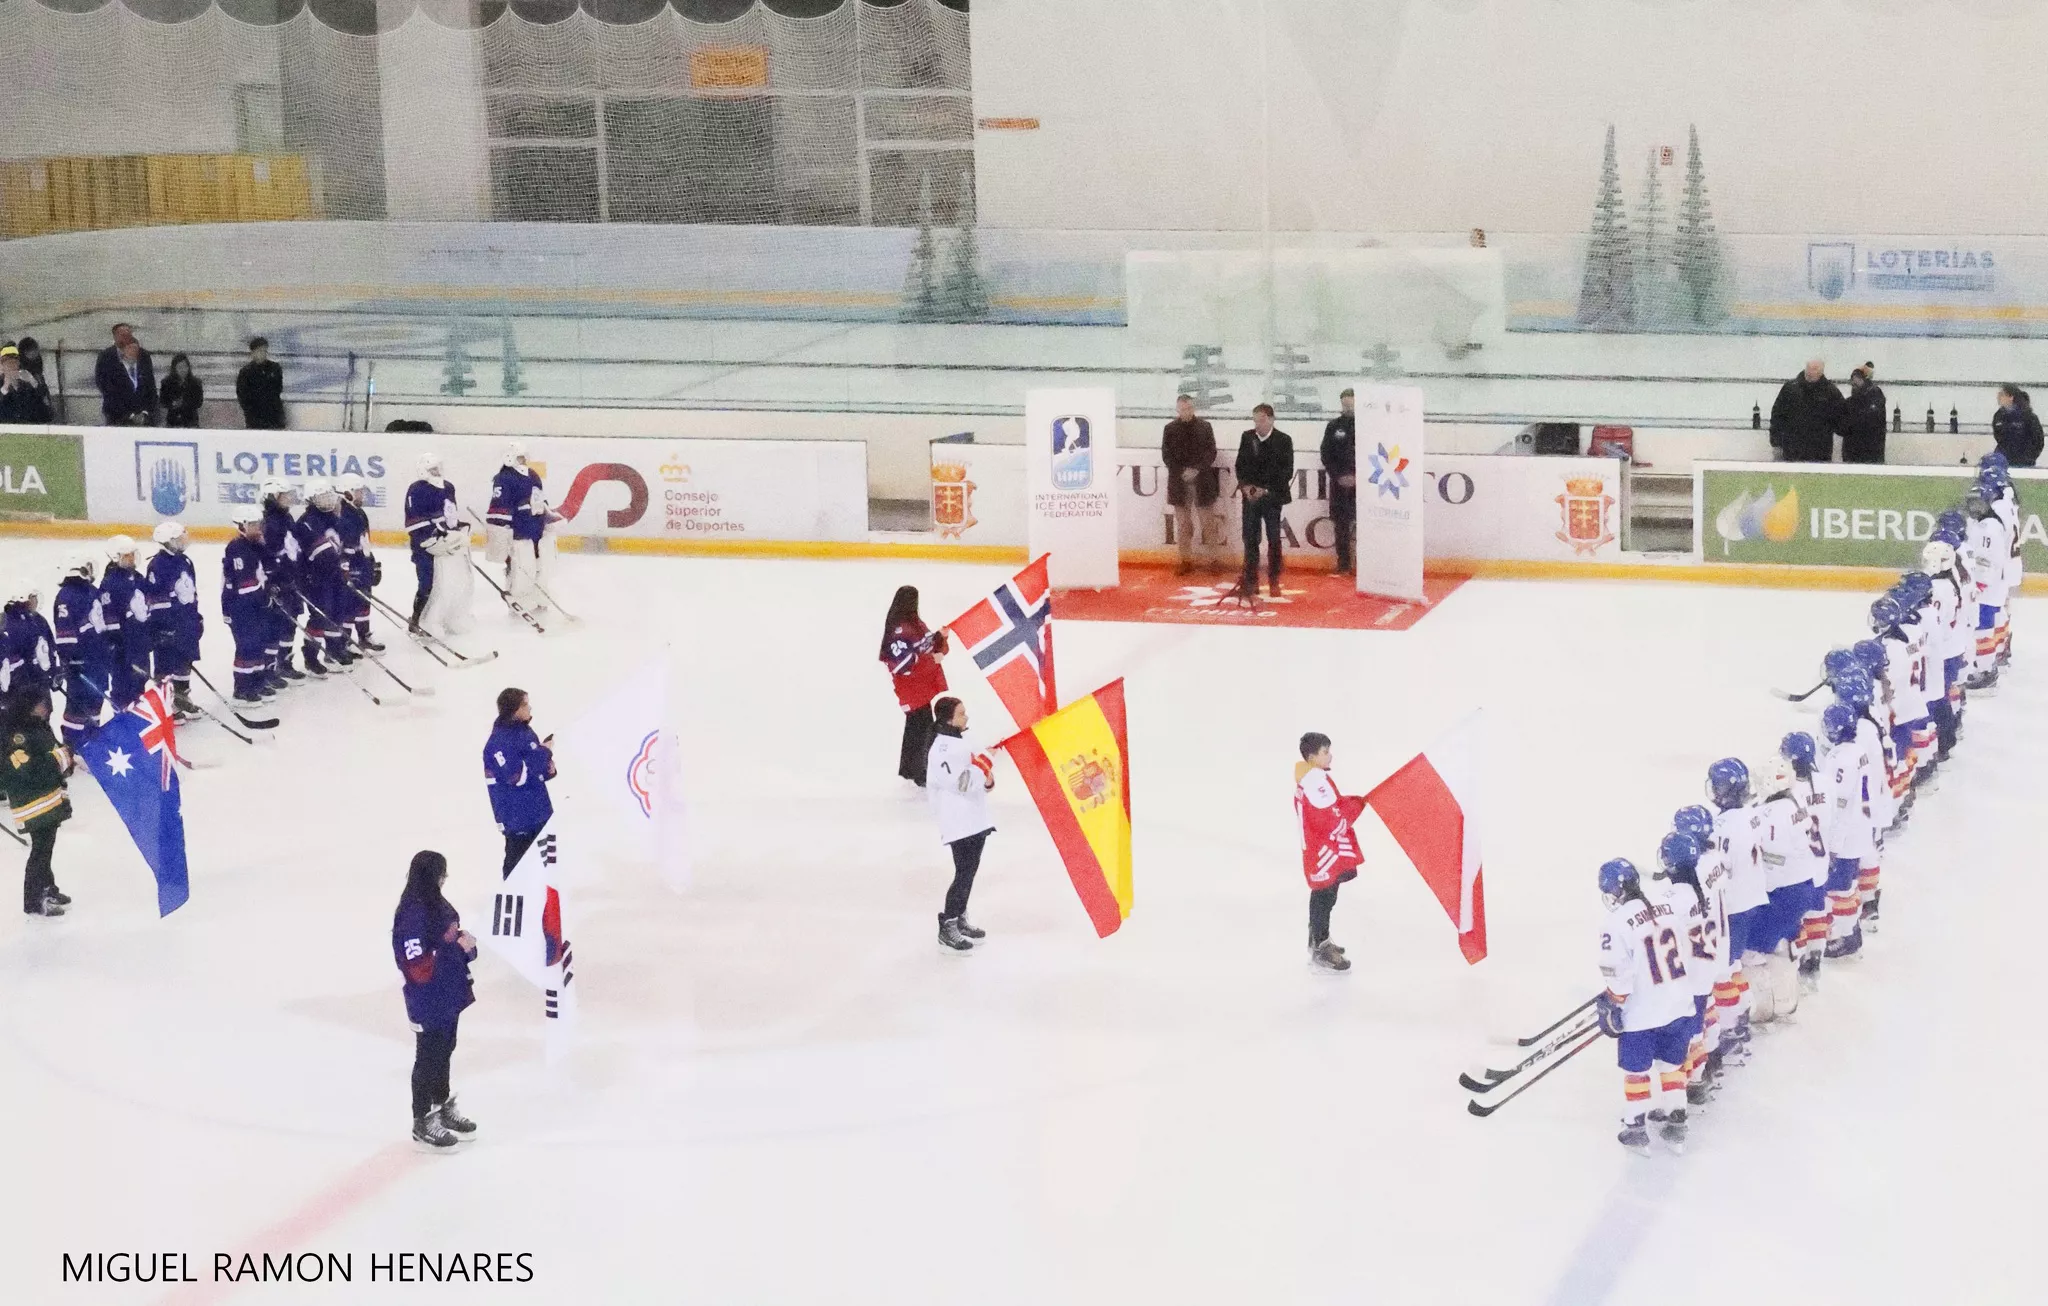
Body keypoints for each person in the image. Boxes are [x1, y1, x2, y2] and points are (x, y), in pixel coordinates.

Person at [1595, 856, 1698, 1155]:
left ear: (1614, 891)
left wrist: (1612, 1002)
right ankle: (1677, 1122)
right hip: (1679, 1004)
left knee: (1637, 1071)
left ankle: (1636, 1126)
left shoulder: (1614, 924)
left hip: (1643, 1013)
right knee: (1671, 1066)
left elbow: (1619, 976)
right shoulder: (1666, 910)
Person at [391, 849, 478, 1150]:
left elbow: (447, 937)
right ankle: (421, 1120)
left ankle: (441, 1106)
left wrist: (465, 945)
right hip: (427, 998)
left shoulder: (435, 902)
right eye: (442, 873)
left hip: (449, 993)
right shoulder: (412, 915)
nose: (445, 879)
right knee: (427, 1056)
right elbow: (417, 965)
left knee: (445, 1049)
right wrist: (454, 946)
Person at [1704, 758, 1763, 1067]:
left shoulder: (1723, 826)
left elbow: (1719, 868)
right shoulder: (1753, 815)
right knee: (1734, 964)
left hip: (1733, 907)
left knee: (1722, 971)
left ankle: (1730, 1029)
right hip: (1752, 898)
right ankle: (1740, 1020)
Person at [925, 695, 994, 951]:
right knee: (963, 872)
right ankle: (948, 923)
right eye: (962, 713)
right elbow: (962, 783)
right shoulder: (941, 749)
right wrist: (986, 762)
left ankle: (960, 915)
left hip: (974, 819)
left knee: (969, 871)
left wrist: (986, 775)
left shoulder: (960, 741)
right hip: (959, 822)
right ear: (948, 718)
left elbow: (980, 780)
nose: (966, 717)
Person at [1295, 731, 1364, 972]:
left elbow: (1332, 805)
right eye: (1325, 752)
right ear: (1312, 757)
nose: (1330, 756)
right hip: (1322, 852)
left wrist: (1355, 802)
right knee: (1324, 896)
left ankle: (1317, 939)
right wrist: (1354, 810)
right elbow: (1328, 817)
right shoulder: (1314, 781)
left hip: (1321, 849)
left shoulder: (1314, 777)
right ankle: (1320, 946)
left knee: (1326, 895)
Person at [0, 693, 73, 917]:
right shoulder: (18, 737)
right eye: (42, 704)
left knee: (45, 849)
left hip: (48, 800)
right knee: (40, 852)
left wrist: (66, 759)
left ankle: (47, 888)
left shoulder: (40, 727)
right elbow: (27, 770)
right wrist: (60, 758)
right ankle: (32, 900)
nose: (46, 708)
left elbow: (55, 752)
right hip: (34, 804)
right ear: (30, 707)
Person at [880, 586, 948, 785]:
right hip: (911, 687)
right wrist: (931, 660)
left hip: (920, 686)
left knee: (915, 727)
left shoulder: (914, 624)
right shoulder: (900, 629)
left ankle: (909, 769)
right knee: (922, 727)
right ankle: (920, 772)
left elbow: (924, 645)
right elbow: (902, 664)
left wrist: (940, 638)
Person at [484, 687, 554, 876]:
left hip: (541, 812)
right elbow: (517, 776)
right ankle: (511, 904)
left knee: (547, 869)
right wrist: (545, 753)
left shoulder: (526, 731)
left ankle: (546, 905)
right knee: (517, 871)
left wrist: (548, 769)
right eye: (525, 704)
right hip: (518, 819)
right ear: (514, 710)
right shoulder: (497, 743)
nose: (530, 708)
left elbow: (534, 768)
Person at [405, 453, 471, 636]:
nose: (437, 472)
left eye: (438, 468)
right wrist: (432, 536)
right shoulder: (416, 490)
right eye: (432, 469)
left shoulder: (448, 487)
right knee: (428, 583)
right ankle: (417, 620)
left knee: (450, 584)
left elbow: (450, 514)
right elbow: (415, 522)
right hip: (425, 546)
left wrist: (456, 530)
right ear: (423, 471)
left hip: (447, 543)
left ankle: (445, 619)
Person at [1234, 403, 1294, 597]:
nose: (1257, 425)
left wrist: (1265, 490)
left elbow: (1286, 471)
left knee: (1274, 539)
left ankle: (1274, 580)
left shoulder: (1284, 440)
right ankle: (1251, 580)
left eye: (1261, 420)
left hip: (1272, 497)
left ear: (1271, 419)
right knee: (1250, 539)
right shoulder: (1247, 437)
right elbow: (1240, 465)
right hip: (1250, 497)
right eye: (1255, 420)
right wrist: (1246, 487)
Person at [143, 521, 202, 719]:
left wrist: (196, 617)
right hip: (167, 627)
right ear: (166, 542)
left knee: (185, 660)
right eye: (177, 539)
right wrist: (163, 628)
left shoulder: (185, 561)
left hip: (186, 622)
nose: (182, 542)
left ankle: (182, 698)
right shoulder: (157, 565)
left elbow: (190, 592)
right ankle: (167, 706)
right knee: (166, 666)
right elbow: (156, 600)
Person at [487, 444, 555, 612]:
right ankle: (519, 601)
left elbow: (540, 499)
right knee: (522, 567)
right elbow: (499, 506)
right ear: (509, 457)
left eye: (525, 457)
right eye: (520, 457)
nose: (524, 461)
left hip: (536, 528)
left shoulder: (533, 475)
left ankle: (539, 596)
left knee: (540, 565)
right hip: (519, 531)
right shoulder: (504, 478)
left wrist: (548, 517)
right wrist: (502, 530)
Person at [295, 479, 353, 674]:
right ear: (311, 500)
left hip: (334, 576)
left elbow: (341, 545)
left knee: (338, 610)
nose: (328, 500)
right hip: (314, 578)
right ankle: (310, 656)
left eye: (329, 495)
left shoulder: (333, 519)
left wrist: (344, 565)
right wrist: (338, 566)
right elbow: (322, 555)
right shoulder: (306, 523)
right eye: (322, 497)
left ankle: (334, 650)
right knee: (320, 615)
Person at [50, 553, 108, 746]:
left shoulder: (92, 591)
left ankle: (92, 741)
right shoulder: (66, 596)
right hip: (81, 661)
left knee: (95, 699)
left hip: (97, 658)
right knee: (77, 704)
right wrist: (71, 659)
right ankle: (72, 745)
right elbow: (65, 632)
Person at [1161, 394, 1221, 573]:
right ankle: (1185, 560)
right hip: (1179, 483)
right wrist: (1182, 472)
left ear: (1193, 408)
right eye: (1183, 409)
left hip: (1202, 481)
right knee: (1184, 525)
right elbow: (1166, 455)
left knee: (1208, 523)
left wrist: (1196, 469)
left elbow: (1211, 452)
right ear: (1177, 410)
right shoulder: (1169, 429)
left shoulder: (1205, 427)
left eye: (1189, 408)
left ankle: (1213, 560)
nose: (1186, 412)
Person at [221, 507, 274, 704]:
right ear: (242, 526)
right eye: (252, 525)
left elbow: (268, 567)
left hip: (254, 604)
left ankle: (257, 683)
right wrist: (263, 597)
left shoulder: (255, 545)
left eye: (258, 524)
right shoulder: (236, 548)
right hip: (239, 606)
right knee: (247, 645)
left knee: (258, 642)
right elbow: (243, 583)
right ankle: (242, 689)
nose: (257, 529)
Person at [260, 479, 306, 686]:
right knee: (275, 626)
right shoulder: (268, 523)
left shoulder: (286, 518)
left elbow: (293, 549)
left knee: (290, 623)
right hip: (279, 584)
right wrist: (276, 581)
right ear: (272, 498)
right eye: (284, 495)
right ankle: (270, 667)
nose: (288, 499)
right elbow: (268, 558)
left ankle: (285, 662)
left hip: (291, 580)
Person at [97, 535, 151, 710]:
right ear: (116, 557)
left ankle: (137, 719)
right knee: (122, 685)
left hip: (139, 642)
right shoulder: (109, 583)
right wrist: (115, 642)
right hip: (123, 646)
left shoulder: (138, 578)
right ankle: (122, 721)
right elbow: (108, 614)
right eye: (126, 556)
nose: (131, 559)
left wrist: (151, 632)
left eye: (132, 554)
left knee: (140, 682)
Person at [337, 474, 382, 652]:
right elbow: (343, 544)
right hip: (351, 566)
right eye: (358, 491)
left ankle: (364, 636)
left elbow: (364, 540)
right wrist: (345, 566)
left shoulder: (359, 512)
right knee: (349, 604)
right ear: (347, 493)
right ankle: (345, 642)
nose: (362, 495)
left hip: (362, 564)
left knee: (363, 601)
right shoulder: (341, 514)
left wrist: (372, 562)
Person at [1768, 359, 1842, 463]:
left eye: (1814, 369)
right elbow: (1777, 416)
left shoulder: (1831, 392)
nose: (1810, 372)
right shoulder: (1789, 389)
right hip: (1791, 451)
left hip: (1820, 453)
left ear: (1821, 372)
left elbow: (1841, 419)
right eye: (1809, 368)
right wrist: (1776, 443)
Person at [0, 580, 56, 717]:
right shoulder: (10, 622)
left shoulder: (38, 620)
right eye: (32, 598)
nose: (35, 602)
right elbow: (13, 658)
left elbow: (49, 647)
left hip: (39, 682)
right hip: (25, 687)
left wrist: (53, 671)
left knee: (42, 718)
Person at [1321, 388, 1358, 574]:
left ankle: (1367, 565)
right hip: (1339, 484)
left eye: (1351, 405)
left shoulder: (1370, 426)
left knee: (1366, 526)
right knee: (1341, 525)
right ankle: (1343, 564)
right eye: (1345, 405)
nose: (1348, 408)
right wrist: (1338, 476)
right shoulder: (1333, 426)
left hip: (1363, 485)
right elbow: (1326, 454)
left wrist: (1358, 477)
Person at [94, 324, 157, 426]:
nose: (127, 337)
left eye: (129, 334)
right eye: (123, 335)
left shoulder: (144, 356)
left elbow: (150, 387)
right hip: (118, 416)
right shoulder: (105, 357)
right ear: (115, 336)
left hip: (143, 417)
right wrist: (130, 415)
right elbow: (105, 387)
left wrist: (145, 412)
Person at [1838, 362, 1886, 464]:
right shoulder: (1851, 402)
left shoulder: (1874, 396)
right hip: (1859, 452)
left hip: (1867, 451)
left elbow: (1869, 421)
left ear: (1863, 379)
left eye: (1856, 381)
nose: (1853, 384)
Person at [237, 337, 287, 430]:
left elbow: (277, 389)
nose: (262, 354)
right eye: (259, 351)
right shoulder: (246, 372)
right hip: (255, 417)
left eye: (264, 351)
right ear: (253, 353)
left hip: (274, 415)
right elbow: (242, 395)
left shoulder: (275, 368)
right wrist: (250, 411)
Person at [1991, 386, 2043, 468]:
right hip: (2004, 460)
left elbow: (2038, 440)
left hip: (2024, 461)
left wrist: (2029, 457)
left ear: (2010, 397)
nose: (1998, 397)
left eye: (2001, 395)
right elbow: (1998, 436)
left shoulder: (2028, 416)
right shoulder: (1999, 416)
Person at [0, 344, 51, 424]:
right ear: (2, 366)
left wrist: (34, 383)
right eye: (7, 363)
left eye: (15, 362)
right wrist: (5, 387)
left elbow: (47, 414)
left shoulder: (27, 386)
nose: (12, 366)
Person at [159, 353, 204, 428]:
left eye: (185, 367)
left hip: (191, 421)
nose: (183, 370)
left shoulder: (196, 383)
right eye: (179, 367)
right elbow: (162, 401)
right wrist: (172, 404)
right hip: (172, 421)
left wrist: (184, 403)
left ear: (188, 368)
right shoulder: (166, 382)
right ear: (174, 369)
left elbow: (199, 402)